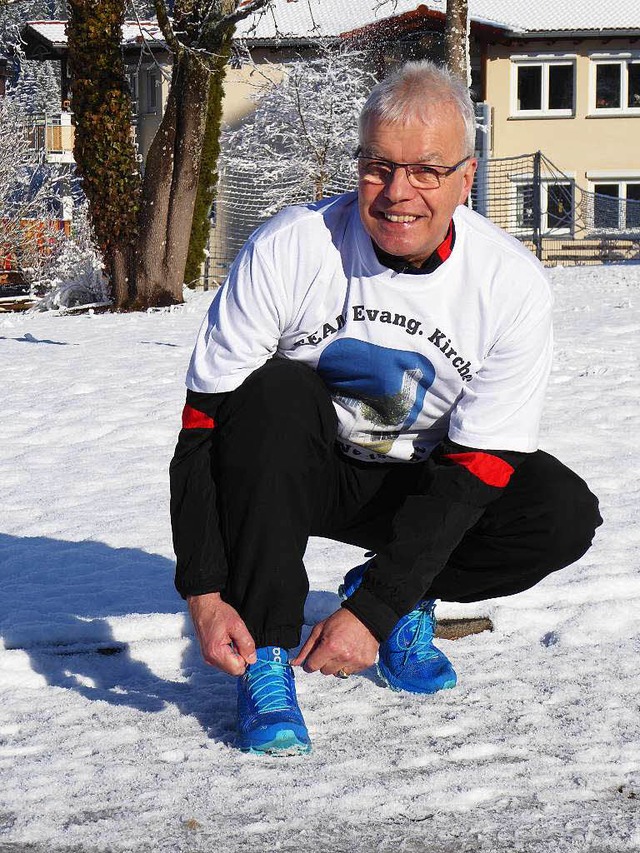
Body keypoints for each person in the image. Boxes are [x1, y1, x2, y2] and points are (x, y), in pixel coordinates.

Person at [170, 60, 601, 756]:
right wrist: (203, 589)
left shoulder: (509, 284)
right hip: (297, 473)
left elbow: (480, 466)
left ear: (467, 177)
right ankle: (266, 654)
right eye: (378, 166)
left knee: (559, 509)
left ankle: (399, 591)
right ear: (359, 164)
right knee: (274, 391)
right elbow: (201, 431)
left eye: (426, 170)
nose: (399, 193)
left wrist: (376, 607)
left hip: (422, 480)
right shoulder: (292, 247)